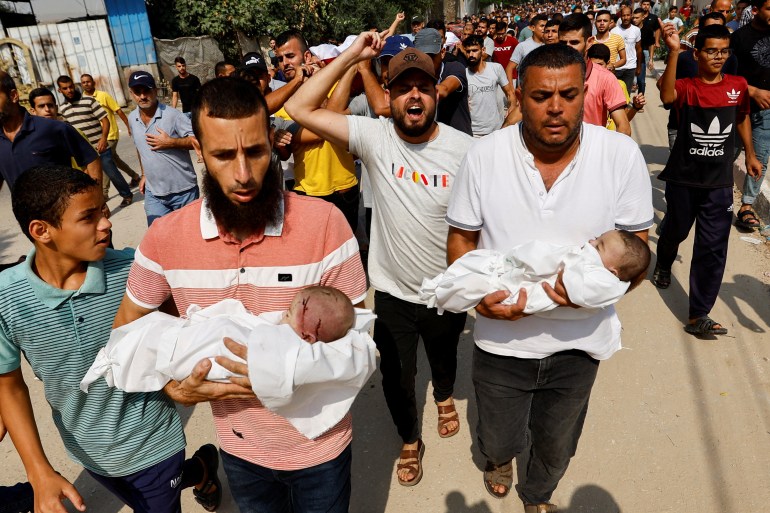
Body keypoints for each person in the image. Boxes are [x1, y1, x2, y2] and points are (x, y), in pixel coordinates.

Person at [113, 77, 367, 513]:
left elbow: (361, 343)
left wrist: (285, 373)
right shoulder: (164, 238)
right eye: (224, 155)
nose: (244, 174)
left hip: (321, 450)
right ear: (198, 150)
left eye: (255, 151)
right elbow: (126, 333)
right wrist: (177, 389)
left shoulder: (326, 224)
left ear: (273, 142)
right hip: (241, 452)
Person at [445, 44, 653, 512]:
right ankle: (498, 460)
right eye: (541, 96)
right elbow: (461, 239)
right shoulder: (484, 156)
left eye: (568, 94)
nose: (556, 107)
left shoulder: (619, 156)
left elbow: (637, 254)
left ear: (587, 92)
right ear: (518, 93)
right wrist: (479, 300)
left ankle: (537, 494)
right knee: (498, 437)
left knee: (557, 445)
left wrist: (583, 298)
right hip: (501, 343)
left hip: (580, 348)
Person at [285, 35, 473, 487]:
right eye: (403, 87)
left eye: (423, 87)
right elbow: (300, 110)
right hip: (391, 289)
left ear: (433, 94)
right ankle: (410, 438)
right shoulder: (374, 136)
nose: (414, 95)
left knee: (445, 354)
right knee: (396, 375)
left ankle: (445, 394)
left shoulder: (467, 150)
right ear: (388, 97)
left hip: (448, 287)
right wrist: (352, 57)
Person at [0, 165, 221, 513]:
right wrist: (38, 470)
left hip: (153, 442)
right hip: (85, 448)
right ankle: (201, 470)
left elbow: (187, 327)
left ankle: (188, 472)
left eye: (104, 211)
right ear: (41, 231)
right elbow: (9, 384)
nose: (107, 223)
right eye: (89, 217)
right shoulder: (6, 297)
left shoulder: (135, 270)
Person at [653, 23, 762, 336]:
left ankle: (698, 313)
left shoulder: (738, 85)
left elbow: (741, 118)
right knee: (675, 228)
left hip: (718, 183)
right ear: (697, 53)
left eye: (724, 51)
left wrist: (751, 155)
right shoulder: (687, 85)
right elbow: (667, 94)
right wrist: (673, 51)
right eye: (711, 51)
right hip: (684, 179)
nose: (718, 57)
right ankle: (664, 261)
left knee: (712, 247)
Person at [421, 229, 651, 315]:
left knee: (480, 281)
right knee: (478, 271)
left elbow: (578, 286)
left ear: (612, 271)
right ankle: (444, 289)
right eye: (597, 238)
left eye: (599, 245)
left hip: (527, 294)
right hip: (516, 280)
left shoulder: (605, 282)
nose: (591, 242)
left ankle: (442, 292)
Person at [273, 30, 360, 231]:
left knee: (347, 252)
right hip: (308, 190)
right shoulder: (281, 100)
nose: (284, 63)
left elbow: (334, 118)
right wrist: (280, 140)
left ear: (306, 57)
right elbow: (286, 153)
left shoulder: (334, 86)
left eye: (290, 56)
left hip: (344, 188)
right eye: (280, 59)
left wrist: (315, 82)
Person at [0, 72, 100, 192]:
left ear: (13, 95)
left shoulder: (53, 128)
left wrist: (96, 197)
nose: (47, 110)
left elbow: (91, 159)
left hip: (64, 209)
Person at [127, 71, 199, 225]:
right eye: (137, 92)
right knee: (158, 240)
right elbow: (140, 148)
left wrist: (172, 142)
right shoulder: (132, 118)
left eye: (146, 90)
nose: (142, 96)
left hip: (183, 191)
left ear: (155, 91)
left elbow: (198, 141)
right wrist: (144, 174)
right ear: (131, 93)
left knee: (187, 240)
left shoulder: (173, 115)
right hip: (154, 194)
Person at [57, 75, 134, 207]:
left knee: (111, 172)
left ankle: (126, 194)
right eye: (65, 88)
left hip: (100, 146)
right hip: (82, 152)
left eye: (71, 86)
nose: (69, 90)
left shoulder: (89, 101)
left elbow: (105, 120)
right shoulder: (62, 109)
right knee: (88, 180)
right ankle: (98, 204)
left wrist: (103, 139)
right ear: (60, 90)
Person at [560, 13, 632, 135]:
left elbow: (623, 126)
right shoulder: (549, 74)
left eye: (574, 42)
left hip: (592, 151)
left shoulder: (606, 78)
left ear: (589, 42)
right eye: (562, 43)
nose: (568, 48)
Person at [732, 0, 770, 230]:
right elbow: (726, 77)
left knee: (761, 158)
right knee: (727, 154)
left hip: (766, 110)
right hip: (738, 108)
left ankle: (747, 204)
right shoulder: (739, 39)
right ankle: (715, 198)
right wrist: (752, 90)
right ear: (755, 10)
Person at [80, 73, 142, 192]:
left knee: (105, 161)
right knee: (114, 160)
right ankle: (135, 176)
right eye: (83, 82)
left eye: (88, 81)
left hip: (110, 134)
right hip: (95, 136)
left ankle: (104, 191)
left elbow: (118, 111)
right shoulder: (82, 100)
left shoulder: (103, 96)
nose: (86, 84)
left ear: (93, 82)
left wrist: (129, 127)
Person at [414, 28, 473, 135]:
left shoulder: (455, 68)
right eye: (421, 56)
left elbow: (444, 90)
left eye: (430, 56)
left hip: (459, 144)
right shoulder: (414, 77)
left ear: (442, 53)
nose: (426, 61)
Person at [463, 35, 518, 136]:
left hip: (496, 129)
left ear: (483, 50)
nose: (471, 54)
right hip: (473, 132)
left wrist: (512, 108)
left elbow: (510, 92)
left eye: (475, 50)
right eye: (468, 51)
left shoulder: (496, 68)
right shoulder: (463, 74)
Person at [586, 43, 646, 129]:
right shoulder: (583, 85)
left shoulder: (619, 85)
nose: (596, 69)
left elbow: (624, 120)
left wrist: (635, 107)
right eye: (593, 65)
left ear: (608, 64)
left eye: (599, 65)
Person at [506, 14, 547, 83]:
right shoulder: (522, 46)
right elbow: (509, 69)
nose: (544, 29)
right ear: (533, 28)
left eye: (546, 26)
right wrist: (511, 91)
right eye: (542, 26)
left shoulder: (550, 45)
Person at [611, 5, 643, 93]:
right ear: (621, 16)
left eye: (628, 15)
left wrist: (639, 66)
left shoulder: (636, 30)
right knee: (615, 93)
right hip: (617, 67)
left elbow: (639, 49)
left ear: (631, 15)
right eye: (623, 15)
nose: (626, 18)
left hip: (630, 67)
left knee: (627, 93)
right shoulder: (613, 31)